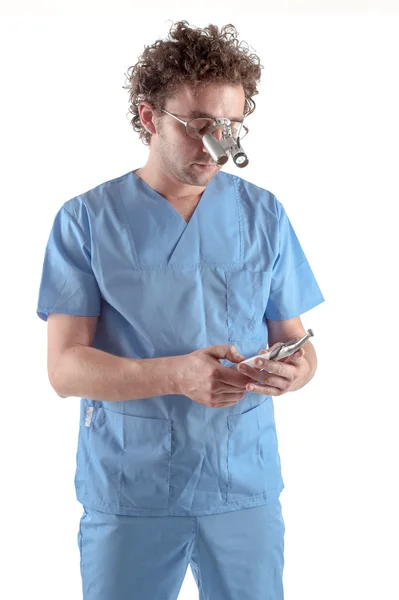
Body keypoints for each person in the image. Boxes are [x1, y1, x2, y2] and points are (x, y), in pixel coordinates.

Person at [36, 20, 324, 600]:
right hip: (131, 488)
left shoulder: (263, 215)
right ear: (148, 118)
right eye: (200, 126)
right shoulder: (87, 221)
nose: (219, 143)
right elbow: (64, 371)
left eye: (232, 126)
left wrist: (298, 369)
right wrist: (178, 374)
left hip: (242, 483)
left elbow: (299, 340)